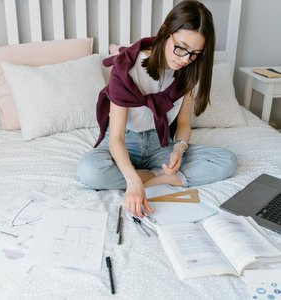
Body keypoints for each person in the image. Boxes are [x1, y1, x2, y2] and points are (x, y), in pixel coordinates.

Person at [77, 0, 237, 218]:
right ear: (165, 31)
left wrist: (179, 149)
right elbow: (115, 138)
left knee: (226, 161)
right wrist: (133, 182)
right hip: (125, 141)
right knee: (89, 171)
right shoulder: (127, 69)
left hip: (160, 144)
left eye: (194, 54)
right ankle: (147, 177)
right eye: (181, 48)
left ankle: (154, 178)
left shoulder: (189, 72)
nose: (184, 60)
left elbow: (182, 124)